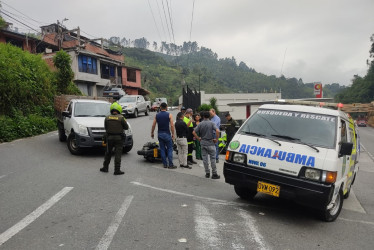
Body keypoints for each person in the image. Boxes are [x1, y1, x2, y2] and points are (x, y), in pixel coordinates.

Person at [101, 102, 129, 175]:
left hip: (109, 138)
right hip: (119, 138)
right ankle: (117, 170)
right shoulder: (121, 118)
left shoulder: (107, 118)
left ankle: (105, 168)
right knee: (118, 154)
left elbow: (106, 128)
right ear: (119, 109)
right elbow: (126, 127)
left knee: (108, 153)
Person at [193, 111, 220, 179]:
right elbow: (217, 131)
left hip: (203, 143)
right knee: (213, 159)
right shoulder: (211, 123)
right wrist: (216, 139)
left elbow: (193, 132)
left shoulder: (200, 124)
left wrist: (198, 138)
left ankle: (207, 173)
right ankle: (214, 174)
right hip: (210, 143)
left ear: (203, 116)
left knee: (205, 159)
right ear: (209, 116)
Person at [151, 102, 176, 169]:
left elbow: (153, 125)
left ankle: (165, 164)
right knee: (170, 149)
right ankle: (170, 164)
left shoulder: (157, 115)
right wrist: (173, 134)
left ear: (160, 107)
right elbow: (172, 125)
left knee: (162, 149)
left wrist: (152, 133)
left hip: (160, 134)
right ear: (166, 107)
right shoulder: (169, 115)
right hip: (167, 134)